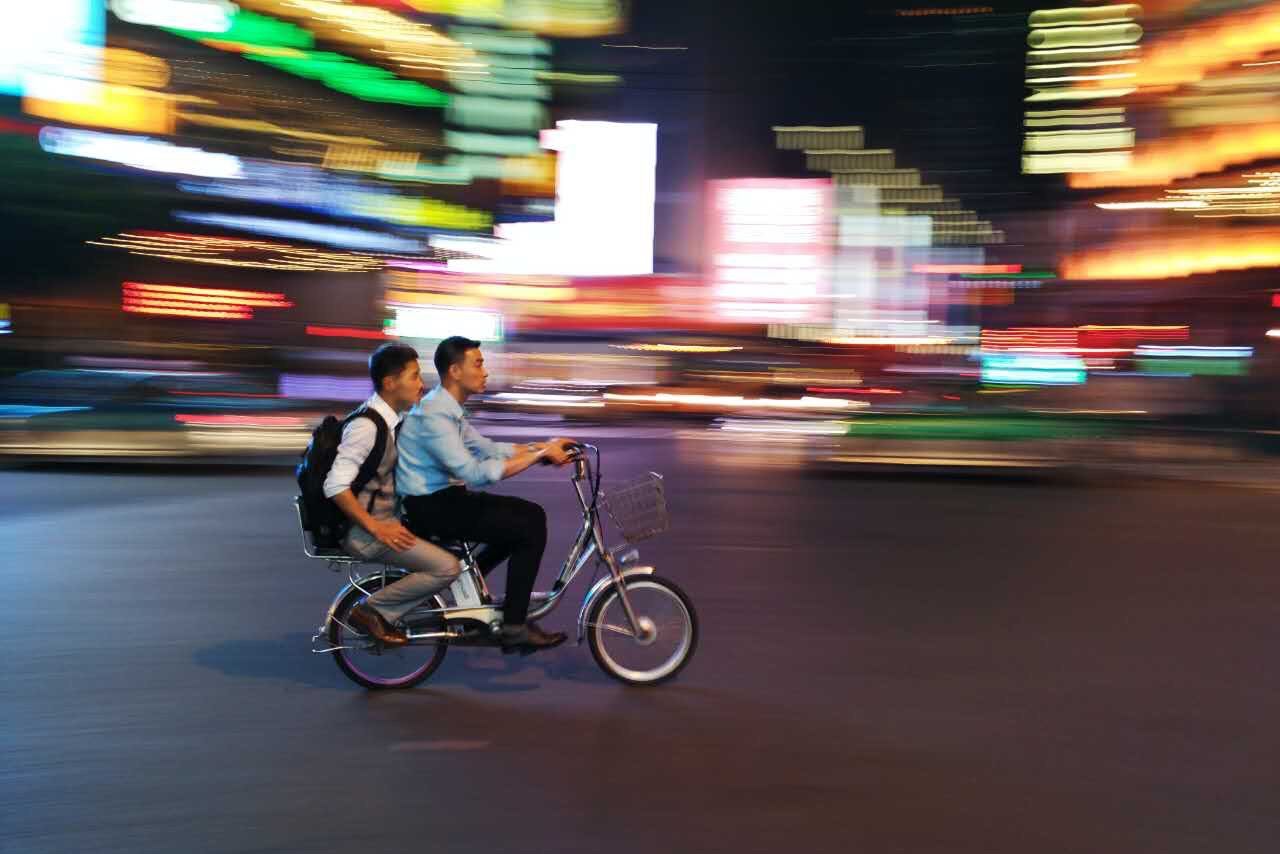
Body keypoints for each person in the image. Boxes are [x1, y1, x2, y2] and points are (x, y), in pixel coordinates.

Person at [397, 336, 578, 653]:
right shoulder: (436, 416)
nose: (486, 372)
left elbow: (489, 449)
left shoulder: (447, 408)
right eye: (478, 364)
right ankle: (514, 626)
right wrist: (538, 456)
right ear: (455, 370)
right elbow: (475, 472)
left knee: (520, 519)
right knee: (530, 521)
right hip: (432, 507)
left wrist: (542, 446)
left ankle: (473, 602)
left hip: (443, 500)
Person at [323, 342, 461, 646]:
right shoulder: (366, 426)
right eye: (414, 376)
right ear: (390, 383)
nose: (422, 385)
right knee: (446, 567)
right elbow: (335, 485)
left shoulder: (393, 420)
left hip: (387, 520)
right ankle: (372, 611)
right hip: (365, 533)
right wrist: (377, 528)